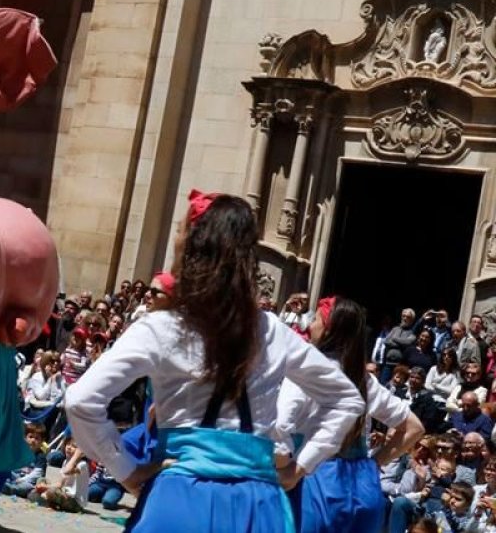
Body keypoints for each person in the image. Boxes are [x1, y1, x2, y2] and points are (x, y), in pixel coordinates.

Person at [64, 191, 364, 532]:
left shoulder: (162, 327)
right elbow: (346, 398)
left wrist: (127, 471)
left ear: (192, 246)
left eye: (180, 232)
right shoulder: (274, 331)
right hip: (257, 503)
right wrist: (301, 467)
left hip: (179, 499)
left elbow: (80, 399)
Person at [276, 296, 424, 533]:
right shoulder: (363, 380)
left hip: (313, 487)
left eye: (315, 319)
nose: (309, 325)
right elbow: (415, 427)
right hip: (361, 488)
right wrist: (374, 465)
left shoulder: (304, 372)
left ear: (327, 328)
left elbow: (281, 430)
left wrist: (283, 474)